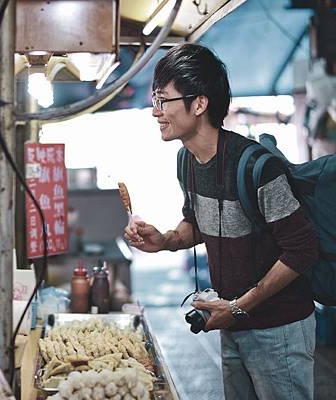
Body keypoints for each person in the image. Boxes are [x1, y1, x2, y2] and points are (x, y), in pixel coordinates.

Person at [124, 44, 319, 400]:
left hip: (279, 329)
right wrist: (166, 239)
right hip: (230, 321)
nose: (155, 111)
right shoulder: (187, 161)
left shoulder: (258, 168)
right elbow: (198, 221)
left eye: (163, 99)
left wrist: (239, 307)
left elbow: (303, 247)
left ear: (199, 104)